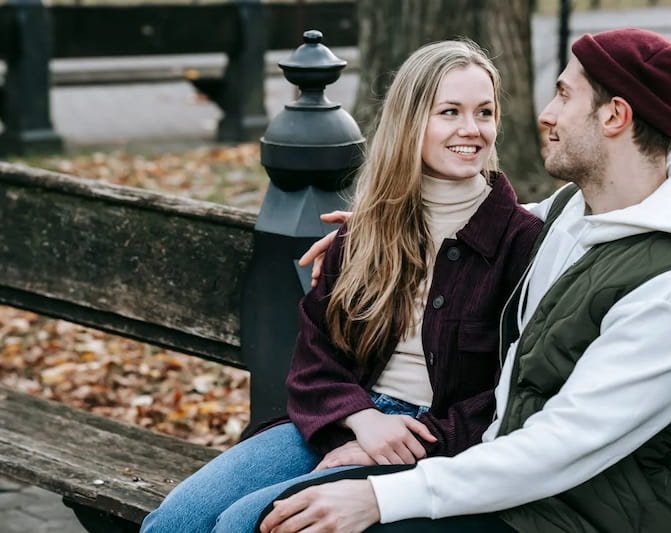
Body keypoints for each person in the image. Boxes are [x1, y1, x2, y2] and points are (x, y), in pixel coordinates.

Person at [258, 28, 671, 533]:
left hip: (565, 515)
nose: (544, 114)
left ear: (615, 115)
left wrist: (377, 495)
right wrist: (380, 230)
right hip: (501, 486)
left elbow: (559, 446)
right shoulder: (578, 211)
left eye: (564, 95)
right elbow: (490, 222)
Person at [140, 39, 542, 533]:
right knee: (174, 523)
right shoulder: (369, 229)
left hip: (434, 440)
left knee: (246, 524)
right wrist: (360, 420)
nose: (470, 129)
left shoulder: (521, 244)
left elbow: (513, 393)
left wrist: (386, 443)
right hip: (342, 418)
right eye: (449, 112)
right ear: (410, 121)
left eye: (484, 112)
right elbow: (316, 354)